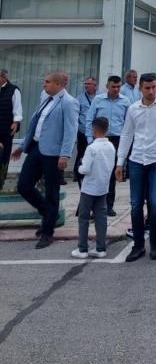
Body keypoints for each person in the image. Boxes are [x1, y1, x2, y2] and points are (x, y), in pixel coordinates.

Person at [115, 72, 156, 261]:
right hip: (137, 161)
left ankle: (154, 242)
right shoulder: (133, 109)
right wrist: (120, 162)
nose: (151, 91)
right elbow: (126, 135)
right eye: (147, 88)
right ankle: (138, 246)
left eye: (154, 87)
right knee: (136, 205)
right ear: (140, 88)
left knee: (155, 203)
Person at [11, 72, 78, 249]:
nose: (44, 85)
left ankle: (47, 233)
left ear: (58, 84)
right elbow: (36, 124)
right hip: (36, 148)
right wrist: (23, 145)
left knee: (51, 192)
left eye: (47, 82)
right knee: (23, 185)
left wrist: (65, 155)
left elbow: (70, 131)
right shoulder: (45, 98)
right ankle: (49, 213)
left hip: (53, 154)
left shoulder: (68, 103)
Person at [71, 117, 116, 259]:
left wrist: (79, 168)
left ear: (94, 130)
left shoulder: (91, 148)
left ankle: (82, 248)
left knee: (84, 217)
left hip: (89, 188)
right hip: (103, 187)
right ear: (107, 129)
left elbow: (85, 169)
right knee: (101, 217)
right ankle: (101, 248)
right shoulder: (111, 147)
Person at [85, 76, 130, 216]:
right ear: (107, 86)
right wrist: (89, 140)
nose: (116, 89)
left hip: (116, 140)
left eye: (118, 87)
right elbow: (89, 119)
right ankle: (91, 206)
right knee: (96, 172)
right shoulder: (98, 100)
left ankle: (108, 206)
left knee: (111, 174)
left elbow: (129, 124)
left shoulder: (125, 101)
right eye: (113, 87)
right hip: (99, 139)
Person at [0, 68, 22, 191]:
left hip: (6, 129)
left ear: (3, 78)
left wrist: (16, 122)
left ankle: (1, 181)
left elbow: (17, 109)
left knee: (4, 157)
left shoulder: (14, 90)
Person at [74, 76, 98, 188]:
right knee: (81, 152)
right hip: (83, 130)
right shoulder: (79, 98)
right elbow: (75, 114)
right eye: (85, 84)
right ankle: (77, 172)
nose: (86, 86)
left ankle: (92, 172)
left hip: (96, 131)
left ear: (95, 85)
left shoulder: (99, 97)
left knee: (95, 153)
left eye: (89, 84)